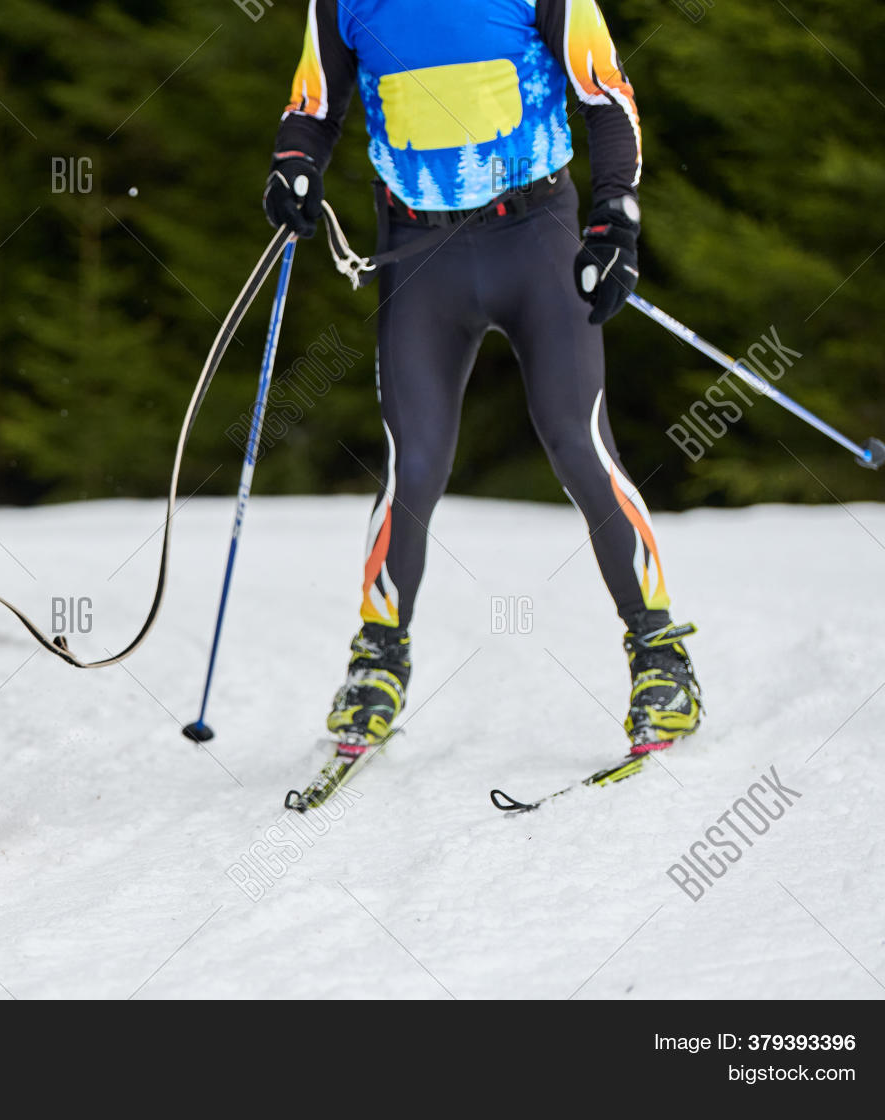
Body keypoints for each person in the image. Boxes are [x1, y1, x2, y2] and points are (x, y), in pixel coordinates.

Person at [262, 0, 701, 758]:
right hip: (417, 251)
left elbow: (605, 95)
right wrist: (294, 166)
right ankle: (378, 662)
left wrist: (614, 221)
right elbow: (315, 106)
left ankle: (661, 656)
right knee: (413, 462)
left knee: (577, 440)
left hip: (537, 238)